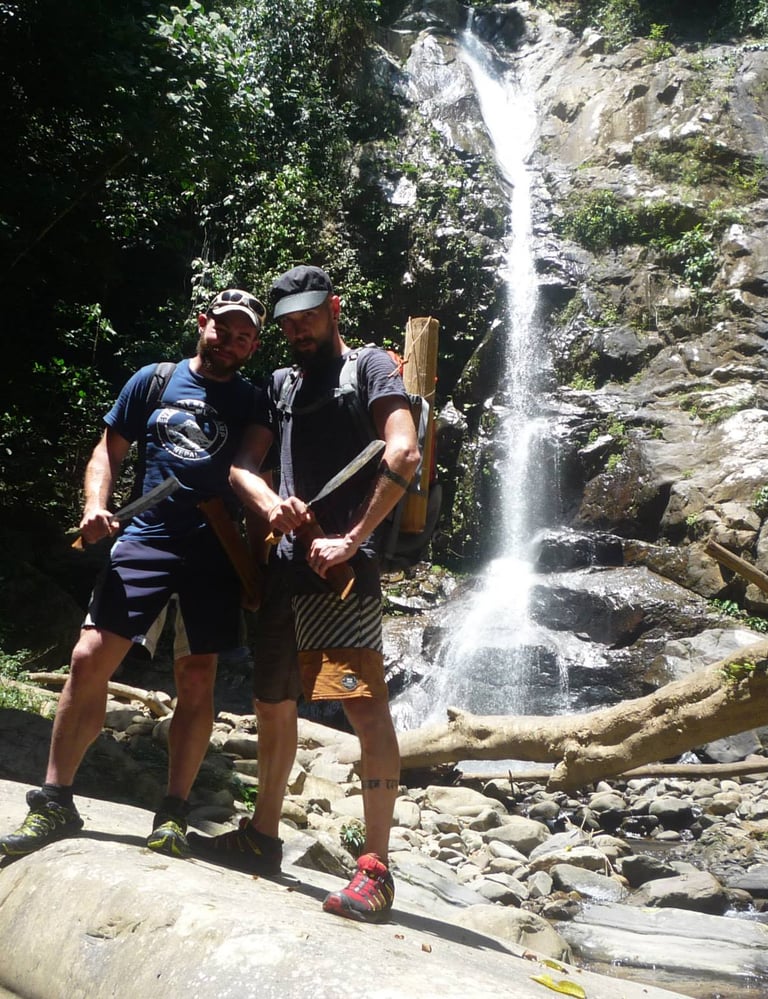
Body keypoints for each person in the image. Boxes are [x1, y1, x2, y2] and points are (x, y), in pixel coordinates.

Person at [187, 265, 420, 924]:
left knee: (358, 707)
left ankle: (375, 869)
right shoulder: (280, 385)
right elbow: (242, 468)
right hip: (282, 575)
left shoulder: (370, 368)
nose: (297, 328)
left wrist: (352, 539)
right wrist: (269, 504)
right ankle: (262, 835)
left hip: (335, 582)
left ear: (334, 308)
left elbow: (402, 450)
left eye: (308, 316)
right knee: (271, 699)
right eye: (288, 320)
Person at [0, 289, 266, 861]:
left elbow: (256, 471)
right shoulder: (154, 380)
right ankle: (55, 801)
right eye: (225, 328)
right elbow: (108, 451)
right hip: (144, 537)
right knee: (87, 659)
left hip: (214, 548)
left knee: (196, 679)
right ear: (203, 323)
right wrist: (96, 504)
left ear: (254, 345)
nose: (233, 342)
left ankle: (172, 814)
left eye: (246, 336)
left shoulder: (252, 400)